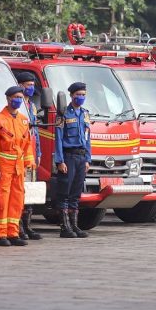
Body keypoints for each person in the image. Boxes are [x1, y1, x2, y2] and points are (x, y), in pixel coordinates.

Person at [0, 86, 34, 246]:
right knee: (1, 200)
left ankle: (13, 233)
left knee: (17, 200)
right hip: (3, 166)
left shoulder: (23, 119)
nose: (18, 100)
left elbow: (27, 143)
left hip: (18, 166)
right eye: (15, 97)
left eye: (20, 97)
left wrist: (29, 162)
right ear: (8, 98)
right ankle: (0, 235)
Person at [54, 82, 91, 238]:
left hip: (82, 157)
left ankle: (74, 225)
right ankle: (64, 227)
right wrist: (60, 160)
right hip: (68, 157)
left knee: (76, 193)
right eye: (78, 95)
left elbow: (88, 137)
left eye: (83, 94)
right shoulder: (63, 114)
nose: (81, 97)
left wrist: (88, 158)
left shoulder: (85, 113)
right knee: (65, 192)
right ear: (71, 95)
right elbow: (58, 139)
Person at [15, 72, 42, 240]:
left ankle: (27, 225)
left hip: (31, 152)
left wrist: (38, 152)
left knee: (30, 191)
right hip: (19, 153)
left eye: (32, 85)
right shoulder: (18, 106)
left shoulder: (31, 106)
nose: (30, 88)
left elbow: (35, 131)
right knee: (19, 192)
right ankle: (17, 226)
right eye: (27, 85)